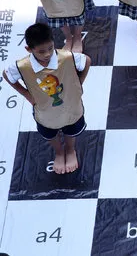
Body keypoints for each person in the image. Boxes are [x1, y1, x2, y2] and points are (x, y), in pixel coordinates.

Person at [2, 23, 91, 175]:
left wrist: (78, 84)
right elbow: (7, 75)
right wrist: (27, 95)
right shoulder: (22, 66)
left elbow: (86, 61)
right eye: (41, 51)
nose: (47, 54)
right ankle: (59, 152)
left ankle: (70, 150)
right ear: (29, 49)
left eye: (50, 48)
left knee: (72, 128)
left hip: (70, 105)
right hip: (44, 111)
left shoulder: (67, 57)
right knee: (49, 132)